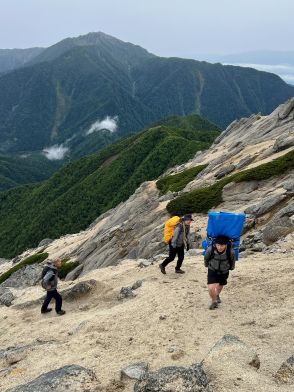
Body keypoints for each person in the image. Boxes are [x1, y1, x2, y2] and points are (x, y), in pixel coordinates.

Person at [204, 235, 235, 310]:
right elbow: (206, 258)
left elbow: (232, 261)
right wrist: (207, 265)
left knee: (220, 285)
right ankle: (214, 301)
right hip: (212, 269)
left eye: (222, 245)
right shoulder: (210, 249)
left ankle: (217, 295)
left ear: (226, 244)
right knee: (211, 288)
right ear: (215, 244)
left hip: (224, 271)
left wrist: (231, 268)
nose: (220, 247)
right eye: (218, 245)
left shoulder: (230, 251)